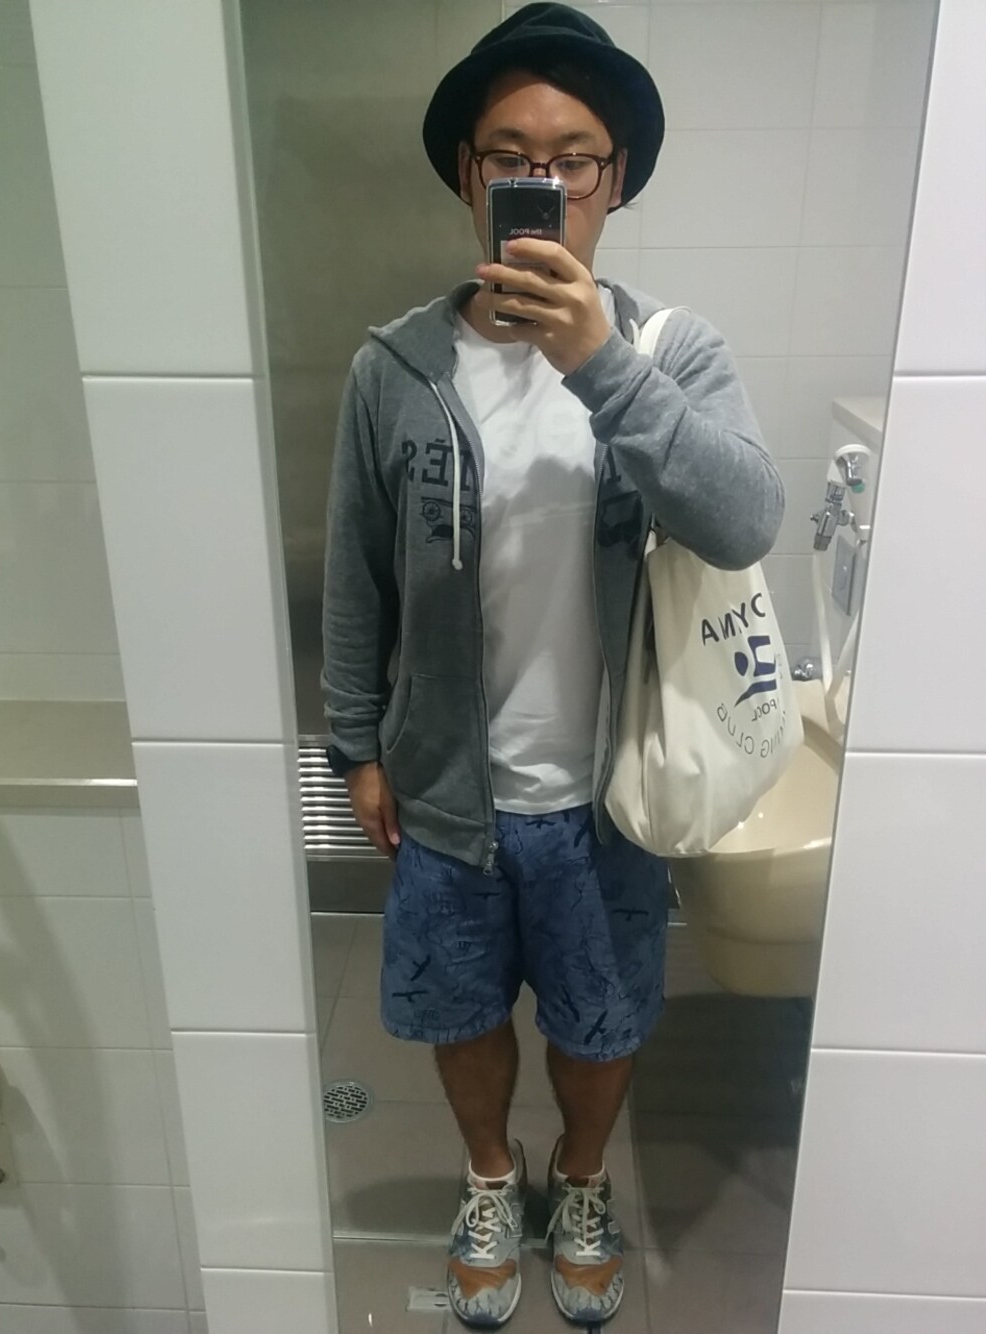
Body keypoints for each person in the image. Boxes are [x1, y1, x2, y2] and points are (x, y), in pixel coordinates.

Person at [322, 4, 784, 1326]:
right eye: (511, 155)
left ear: (614, 179)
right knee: (461, 1012)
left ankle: (578, 1181)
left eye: (574, 157)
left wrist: (597, 365)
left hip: (608, 797)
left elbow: (746, 518)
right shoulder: (396, 367)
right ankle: (490, 1175)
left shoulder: (671, 353)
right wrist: (355, 746)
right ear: (469, 175)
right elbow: (355, 575)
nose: (546, 180)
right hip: (445, 792)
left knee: (600, 1018)